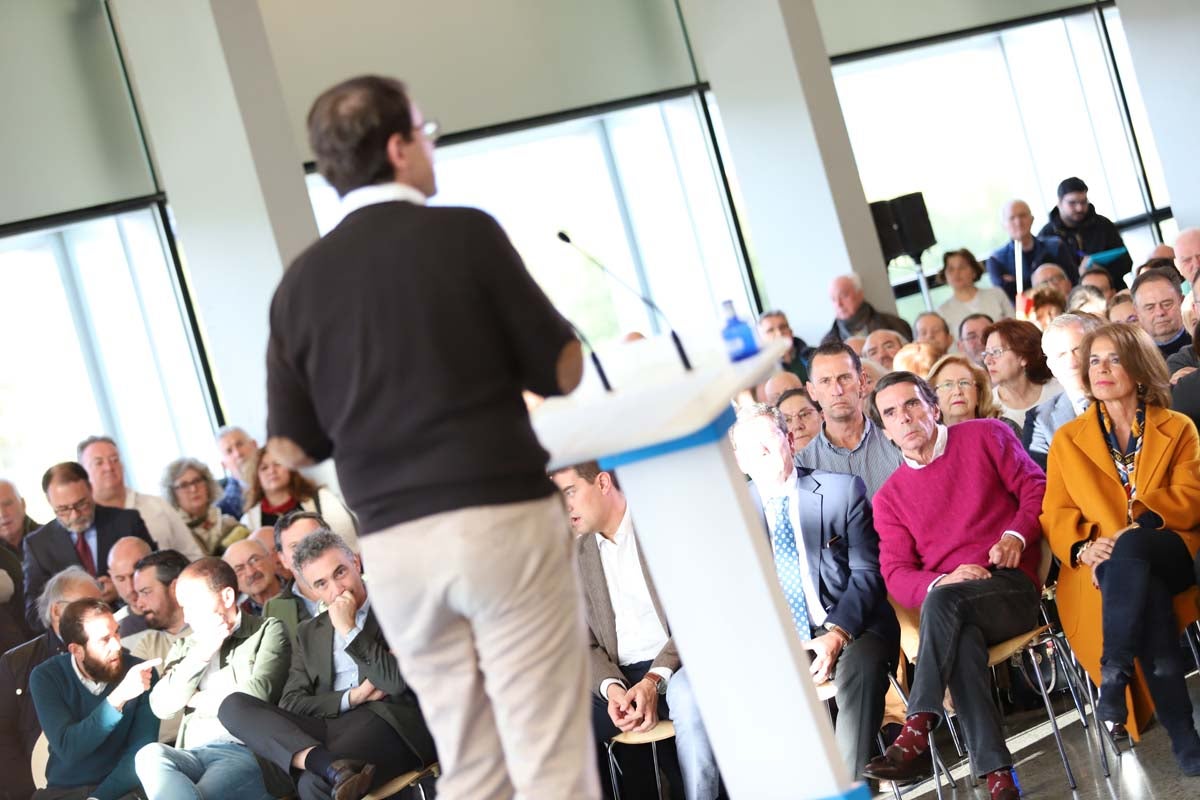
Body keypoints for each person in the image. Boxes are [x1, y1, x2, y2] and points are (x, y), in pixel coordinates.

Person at [264, 75, 593, 799]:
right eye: (425, 130)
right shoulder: (465, 232)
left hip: (396, 549)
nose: (431, 143)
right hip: (499, 517)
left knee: (470, 758)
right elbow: (563, 369)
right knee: (549, 747)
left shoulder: (299, 286)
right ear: (397, 147)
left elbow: (293, 448)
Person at [863, 373, 1045, 800]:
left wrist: (1014, 536)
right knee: (958, 639)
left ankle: (916, 727)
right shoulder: (888, 499)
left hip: (1009, 585)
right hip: (953, 605)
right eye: (891, 413)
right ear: (886, 431)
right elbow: (896, 574)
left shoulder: (986, 436)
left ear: (934, 407)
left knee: (946, 608)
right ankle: (1000, 779)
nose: (904, 418)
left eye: (911, 405)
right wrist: (944, 579)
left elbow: (1036, 488)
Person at [1041, 323, 1200, 773]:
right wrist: (1083, 547)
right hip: (1109, 564)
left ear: (1139, 367)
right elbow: (1055, 511)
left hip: (1174, 547)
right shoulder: (1067, 440)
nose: (1101, 369)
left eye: (1113, 359)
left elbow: (1193, 493)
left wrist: (1139, 524)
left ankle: (1115, 672)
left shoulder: (1178, 426)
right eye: (1094, 360)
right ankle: (1185, 738)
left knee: (1134, 552)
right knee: (1139, 589)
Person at [729, 407, 897, 779]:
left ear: (789, 440)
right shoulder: (732, 516)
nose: (760, 450)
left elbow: (868, 573)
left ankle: (849, 784)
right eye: (748, 447)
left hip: (853, 626)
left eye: (767, 439)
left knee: (861, 669)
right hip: (782, 641)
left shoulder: (841, 490)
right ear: (738, 460)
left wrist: (836, 634)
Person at [220, 529, 437, 800]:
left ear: (356, 564)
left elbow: (394, 683)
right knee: (233, 705)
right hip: (327, 728)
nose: (336, 590)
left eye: (340, 573)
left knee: (313, 785)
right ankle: (326, 764)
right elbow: (292, 702)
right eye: (321, 584)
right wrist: (352, 697)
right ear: (312, 590)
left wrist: (349, 629)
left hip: (388, 723)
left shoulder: (394, 606)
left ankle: (326, 768)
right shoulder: (309, 632)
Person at [551, 463, 721, 799]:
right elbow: (583, 644)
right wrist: (611, 688)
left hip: (677, 667)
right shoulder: (574, 555)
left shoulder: (664, 526)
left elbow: (698, 614)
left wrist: (653, 681)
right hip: (618, 676)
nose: (564, 506)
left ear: (602, 482)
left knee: (687, 701)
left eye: (569, 493)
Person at [134, 557, 291, 800]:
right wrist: (201, 654)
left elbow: (255, 696)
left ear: (227, 597)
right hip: (192, 753)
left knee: (202, 796)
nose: (186, 618)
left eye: (192, 606)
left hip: (245, 751)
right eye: (182, 607)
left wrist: (196, 698)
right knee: (148, 754)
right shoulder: (186, 648)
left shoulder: (267, 631)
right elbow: (161, 706)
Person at [30, 598, 161, 800]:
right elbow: (69, 748)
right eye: (104, 639)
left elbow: (140, 755)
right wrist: (118, 698)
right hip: (64, 791)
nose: (117, 645)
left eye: (117, 632)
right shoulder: (46, 677)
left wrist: (99, 797)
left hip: (124, 790)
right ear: (76, 650)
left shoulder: (141, 673)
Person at [0, 568, 101, 800]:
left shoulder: (109, 652)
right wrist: (31, 792)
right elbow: (2, 737)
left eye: (101, 607)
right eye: (87, 606)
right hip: (37, 785)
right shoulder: (17, 662)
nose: (99, 615)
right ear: (57, 610)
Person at [23, 463, 156, 632]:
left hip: (139, 625)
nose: (75, 515)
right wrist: (78, 604)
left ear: (91, 489)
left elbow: (158, 578)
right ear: (50, 503)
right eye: (63, 509)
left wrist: (122, 589)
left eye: (81, 504)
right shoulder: (38, 545)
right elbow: (34, 614)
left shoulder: (126, 522)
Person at [798, 342, 903, 499]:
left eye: (845, 378)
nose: (837, 391)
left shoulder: (898, 440)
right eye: (825, 381)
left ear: (861, 381)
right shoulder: (803, 465)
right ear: (812, 391)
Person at [77, 436, 205, 562]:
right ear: (83, 472)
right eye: (98, 463)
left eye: (114, 459)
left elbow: (193, 555)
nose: (109, 467)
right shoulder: (83, 521)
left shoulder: (157, 505)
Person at [1023, 313, 1105, 469]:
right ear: (1051, 365)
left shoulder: (1126, 398)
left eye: (1078, 350)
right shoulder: (1040, 419)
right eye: (1061, 355)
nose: (1072, 362)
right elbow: (1042, 482)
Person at [241, 448, 359, 553]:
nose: (272, 471)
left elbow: (349, 544)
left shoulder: (322, 498)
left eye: (277, 464)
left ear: (290, 467)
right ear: (256, 478)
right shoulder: (249, 520)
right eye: (264, 468)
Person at [128, 550, 192, 745]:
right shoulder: (148, 643)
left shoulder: (212, 629)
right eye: (138, 594)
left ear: (174, 588)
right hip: (162, 749)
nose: (139, 603)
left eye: (146, 592)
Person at [1039, 177, 1132, 290]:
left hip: (1111, 290)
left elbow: (1126, 262)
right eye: (1072, 203)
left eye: (1083, 202)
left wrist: (1098, 272)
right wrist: (1079, 275)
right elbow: (1044, 279)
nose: (1079, 208)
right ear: (1059, 203)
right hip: (1073, 298)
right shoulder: (1046, 236)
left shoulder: (1103, 224)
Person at [982, 319, 1062, 428]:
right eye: (986, 353)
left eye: (996, 352)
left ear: (1023, 356)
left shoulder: (1060, 391)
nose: (987, 360)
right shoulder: (987, 406)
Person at [162, 457, 249, 555]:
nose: (193, 489)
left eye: (197, 481)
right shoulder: (176, 534)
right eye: (184, 485)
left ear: (208, 484)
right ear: (172, 493)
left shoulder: (228, 522)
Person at [262, 511, 328, 637]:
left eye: (313, 539)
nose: (306, 550)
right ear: (283, 559)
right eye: (295, 546)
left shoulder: (364, 585)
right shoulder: (274, 609)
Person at [925, 353, 1019, 435]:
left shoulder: (1004, 429)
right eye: (948, 385)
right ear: (933, 397)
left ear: (978, 392)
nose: (958, 392)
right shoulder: (928, 438)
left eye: (964, 383)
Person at [938, 249, 1013, 338]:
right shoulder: (942, 311)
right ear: (945, 275)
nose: (956, 273)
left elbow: (1014, 326)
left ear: (974, 271)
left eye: (962, 267)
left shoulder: (996, 294)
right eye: (951, 269)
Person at [823, 273, 912, 344]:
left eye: (843, 296)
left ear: (860, 294)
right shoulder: (827, 343)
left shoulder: (894, 325)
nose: (839, 304)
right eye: (833, 299)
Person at [0, 480, 35, 654]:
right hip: (14, 651)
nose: (2, 513)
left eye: (7, 504)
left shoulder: (52, 537)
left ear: (22, 503)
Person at [1131, 267, 1191, 360]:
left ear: (1182, 301)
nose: (1160, 313)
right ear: (1137, 312)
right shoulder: (1133, 358)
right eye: (1150, 307)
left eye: (1167, 304)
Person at [106, 536, 153, 641]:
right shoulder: (111, 631)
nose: (130, 588)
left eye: (134, 576)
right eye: (120, 579)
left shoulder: (186, 610)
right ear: (111, 576)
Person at [223, 538, 283, 616]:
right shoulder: (240, 620)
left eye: (254, 560)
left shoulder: (299, 587)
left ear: (270, 559)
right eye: (239, 569)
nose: (251, 572)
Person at [215, 426, 259, 519]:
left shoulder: (285, 476)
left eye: (239, 444)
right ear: (224, 464)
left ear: (254, 444)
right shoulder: (223, 509)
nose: (238, 454)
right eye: (229, 451)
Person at [757, 310, 809, 382]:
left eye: (783, 327)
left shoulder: (813, 356)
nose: (779, 333)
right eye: (770, 330)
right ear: (761, 339)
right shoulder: (758, 372)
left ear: (791, 331)